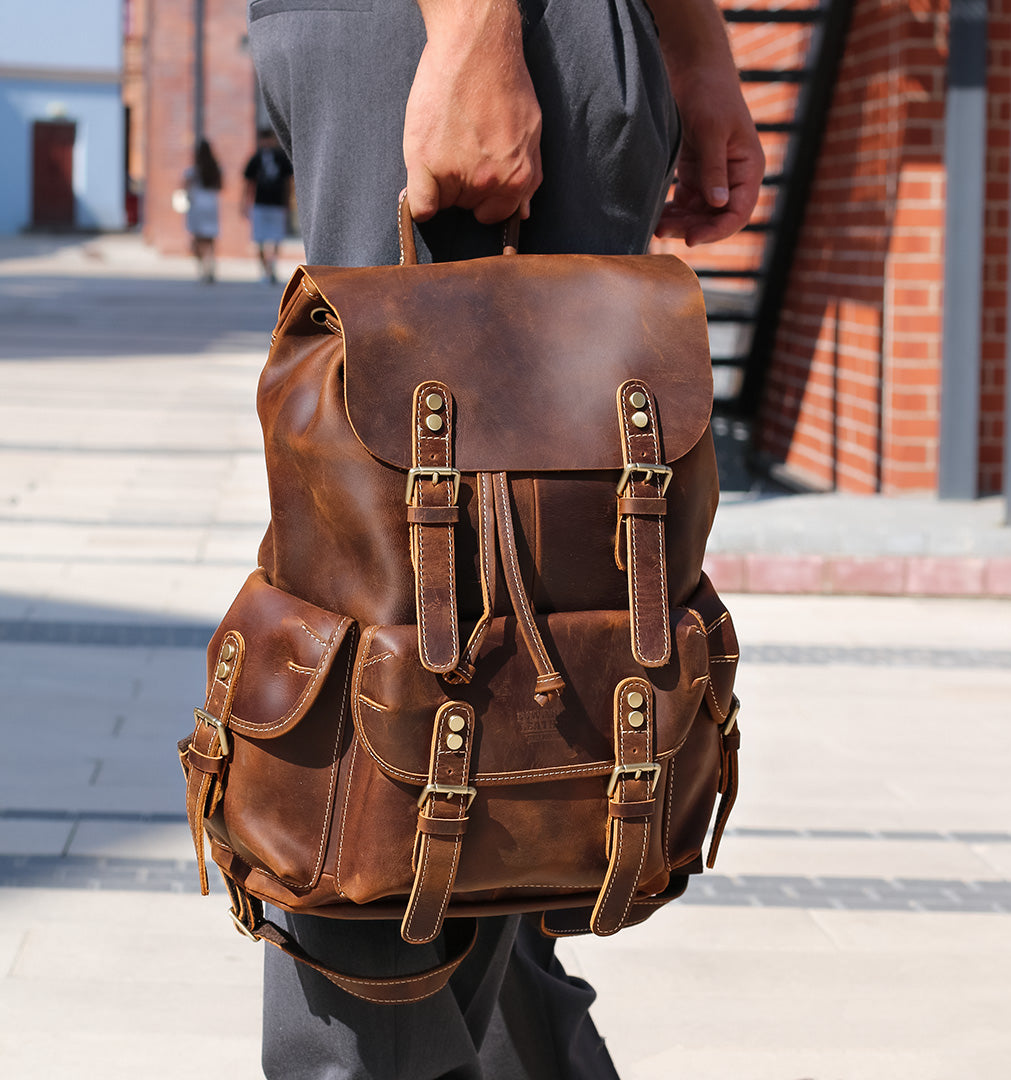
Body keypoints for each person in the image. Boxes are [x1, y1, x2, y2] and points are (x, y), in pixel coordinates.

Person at [246, 1, 763, 1077]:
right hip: (460, 27)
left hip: (517, 30)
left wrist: (687, 48)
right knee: (449, 642)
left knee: (499, 658)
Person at [242, 128, 294, 282]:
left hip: (276, 204)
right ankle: (264, 270)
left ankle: (272, 266)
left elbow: (288, 181)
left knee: (276, 237)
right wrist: (245, 203)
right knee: (259, 238)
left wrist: (288, 201)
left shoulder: (281, 158)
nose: (267, 143)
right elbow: (248, 181)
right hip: (260, 203)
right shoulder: (256, 158)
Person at [182, 138, 222, 283]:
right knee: (210, 239)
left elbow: (185, 187)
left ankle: (201, 269)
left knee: (198, 239)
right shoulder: (215, 169)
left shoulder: (192, 171)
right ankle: (210, 267)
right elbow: (220, 186)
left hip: (197, 204)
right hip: (211, 203)